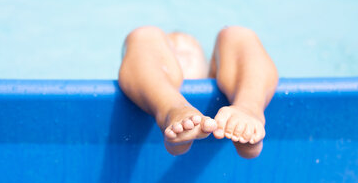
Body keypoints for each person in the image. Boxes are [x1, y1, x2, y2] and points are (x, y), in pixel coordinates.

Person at [118, 26, 278, 159]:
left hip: (238, 96)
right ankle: (172, 109)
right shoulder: (141, 82)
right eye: (168, 52)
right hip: (161, 100)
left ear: (215, 70)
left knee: (235, 35)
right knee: (143, 36)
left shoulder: (223, 79)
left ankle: (249, 108)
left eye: (186, 53)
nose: (176, 56)